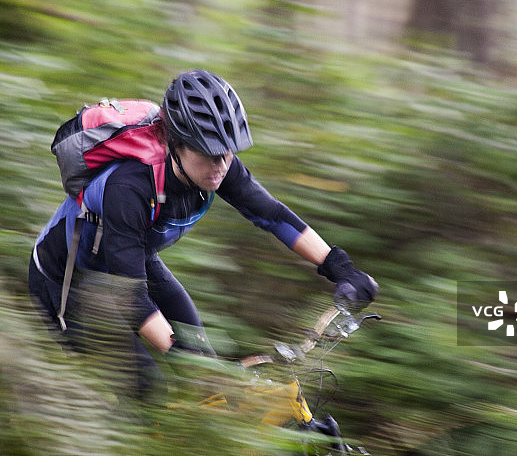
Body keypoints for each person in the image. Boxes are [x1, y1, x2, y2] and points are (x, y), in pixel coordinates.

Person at [28, 69, 377, 400]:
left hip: (128, 261)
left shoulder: (220, 165)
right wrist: (178, 353)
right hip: (67, 281)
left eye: (227, 152)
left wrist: (339, 266)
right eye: (210, 154)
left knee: (207, 370)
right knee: (147, 389)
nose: (221, 164)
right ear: (177, 145)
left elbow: (272, 215)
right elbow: (129, 294)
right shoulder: (130, 187)